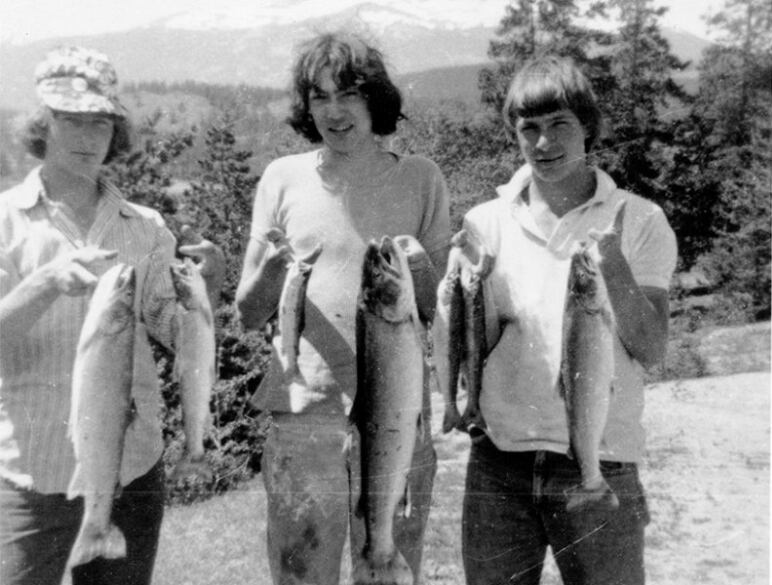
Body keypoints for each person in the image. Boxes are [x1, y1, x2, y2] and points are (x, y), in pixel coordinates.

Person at [441, 55, 677, 584]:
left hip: (602, 459)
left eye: (559, 125)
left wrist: (613, 266)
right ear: (514, 135)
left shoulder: (640, 219)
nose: (543, 143)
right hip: (500, 464)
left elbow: (652, 348)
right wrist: (468, 291)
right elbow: (480, 343)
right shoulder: (485, 222)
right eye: (529, 129)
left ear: (588, 127)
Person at [0, 46, 225, 585]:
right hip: (31, 480)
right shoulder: (7, 222)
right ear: (42, 124)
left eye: (99, 123)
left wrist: (206, 290)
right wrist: (45, 283)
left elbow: (177, 334)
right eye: (70, 121)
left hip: (131, 472)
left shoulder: (145, 227)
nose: (86, 138)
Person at [235, 31, 451, 585]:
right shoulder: (281, 179)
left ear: (374, 99)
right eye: (319, 98)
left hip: (398, 417)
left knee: (388, 568)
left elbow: (438, 311)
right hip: (303, 419)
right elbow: (249, 314)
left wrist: (423, 269)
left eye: (348, 95)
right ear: (306, 108)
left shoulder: (421, 178)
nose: (334, 111)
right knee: (300, 574)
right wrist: (272, 269)